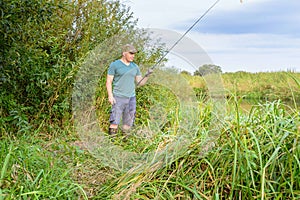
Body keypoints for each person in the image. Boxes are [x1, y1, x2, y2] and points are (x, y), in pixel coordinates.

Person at [106, 44, 152, 136]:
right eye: (131, 53)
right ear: (124, 53)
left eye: (134, 54)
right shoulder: (115, 65)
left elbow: (140, 82)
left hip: (131, 98)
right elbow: (109, 81)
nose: (133, 56)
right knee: (114, 121)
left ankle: (124, 143)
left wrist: (147, 75)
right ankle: (112, 142)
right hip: (118, 97)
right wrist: (110, 96)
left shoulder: (135, 67)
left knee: (128, 123)